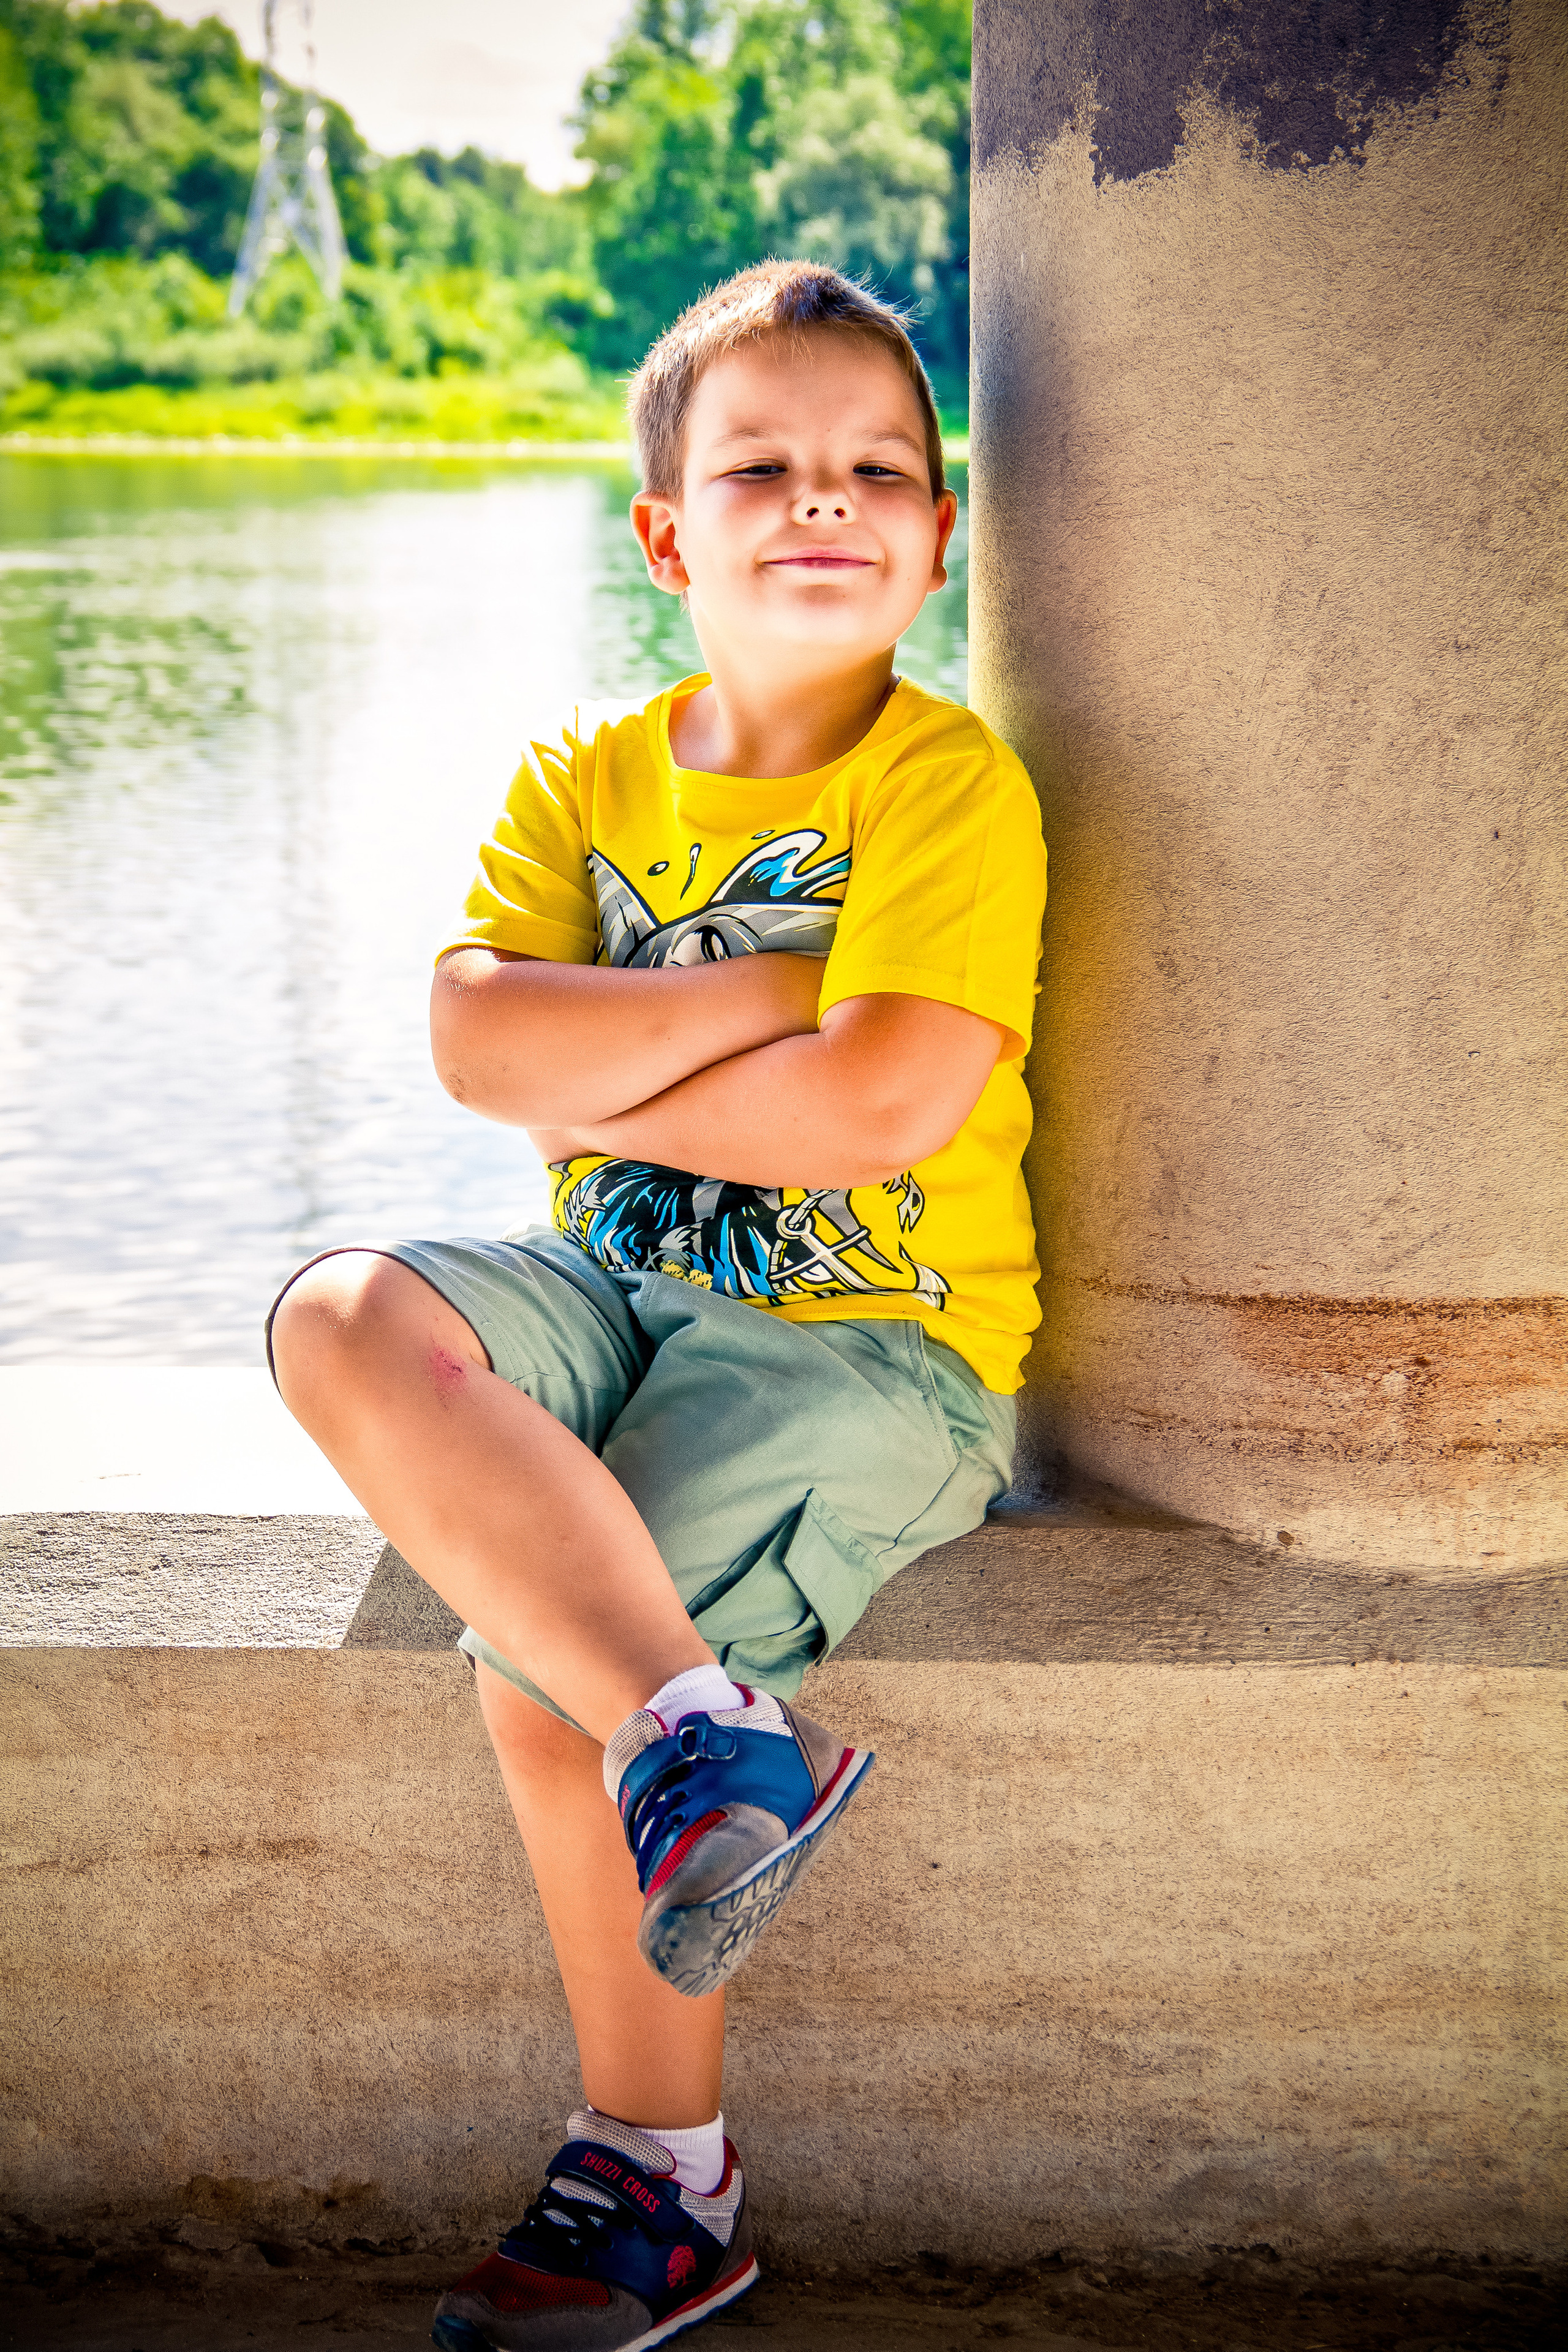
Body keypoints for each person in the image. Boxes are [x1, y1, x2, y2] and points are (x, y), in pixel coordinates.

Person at [268, 258, 1047, 2352]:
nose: (826, 504)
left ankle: (662, 2177)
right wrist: (772, 995)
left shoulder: (945, 785)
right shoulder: (582, 780)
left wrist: (632, 1048)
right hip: (613, 1293)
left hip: (879, 1350)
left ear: (943, 533)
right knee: (342, 1314)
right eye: (765, 467)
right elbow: (475, 1049)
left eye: (882, 469)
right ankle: (703, 1732)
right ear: (665, 533)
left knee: (544, 1674)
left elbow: (888, 1106)